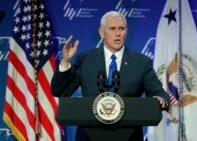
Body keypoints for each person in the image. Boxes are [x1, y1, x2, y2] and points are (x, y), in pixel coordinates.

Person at [51, 10, 170, 141]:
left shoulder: (141, 62)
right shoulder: (85, 60)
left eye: (121, 29)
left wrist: (161, 99)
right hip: (89, 135)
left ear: (127, 31)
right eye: (112, 29)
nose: (118, 34)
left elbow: (159, 92)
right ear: (102, 33)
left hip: (129, 135)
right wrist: (65, 62)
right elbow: (60, 90)